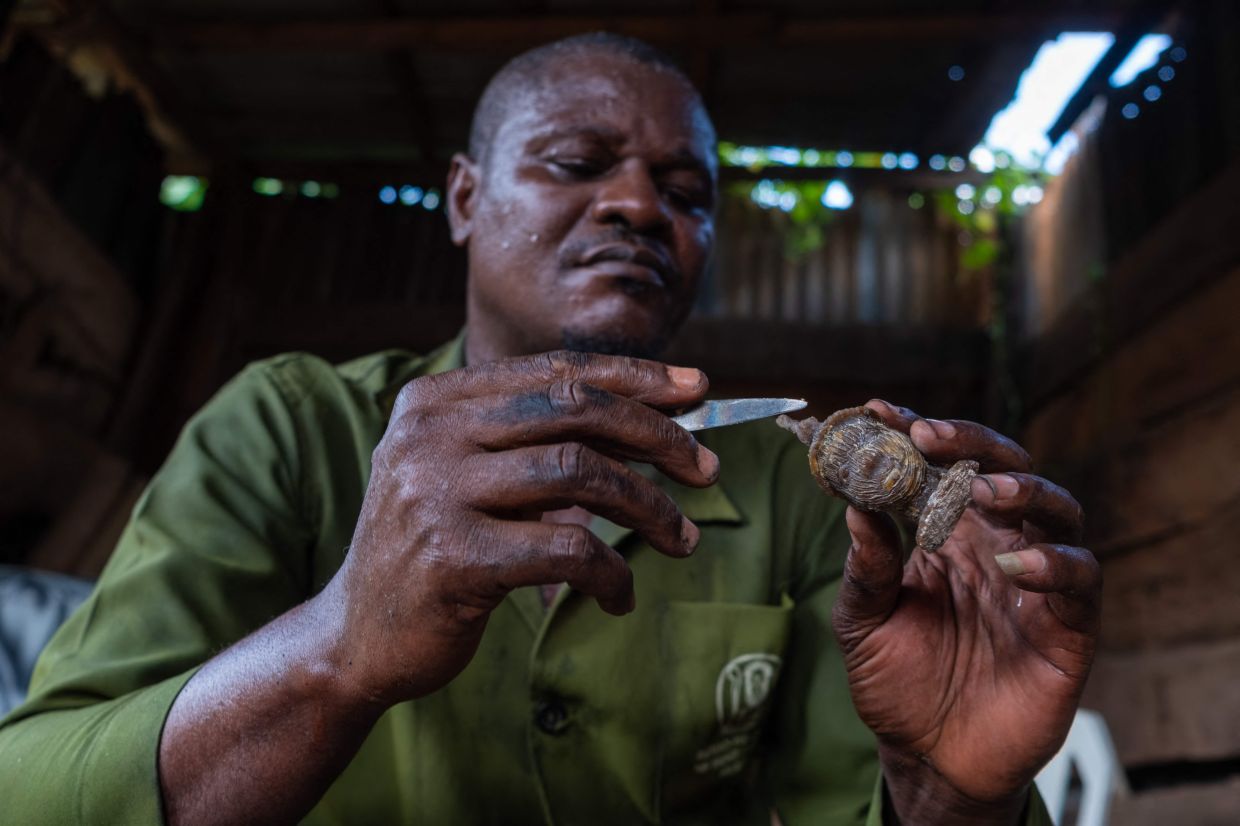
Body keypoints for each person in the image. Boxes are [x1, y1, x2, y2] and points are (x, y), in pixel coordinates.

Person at [0, 33, 1098, 825]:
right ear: (465, 199)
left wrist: (951, 795)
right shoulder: (287, 430)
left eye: (686, 189)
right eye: (576, 164)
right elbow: (34, 788)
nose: (639, 206)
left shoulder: (794, 492)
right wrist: (336, 646)